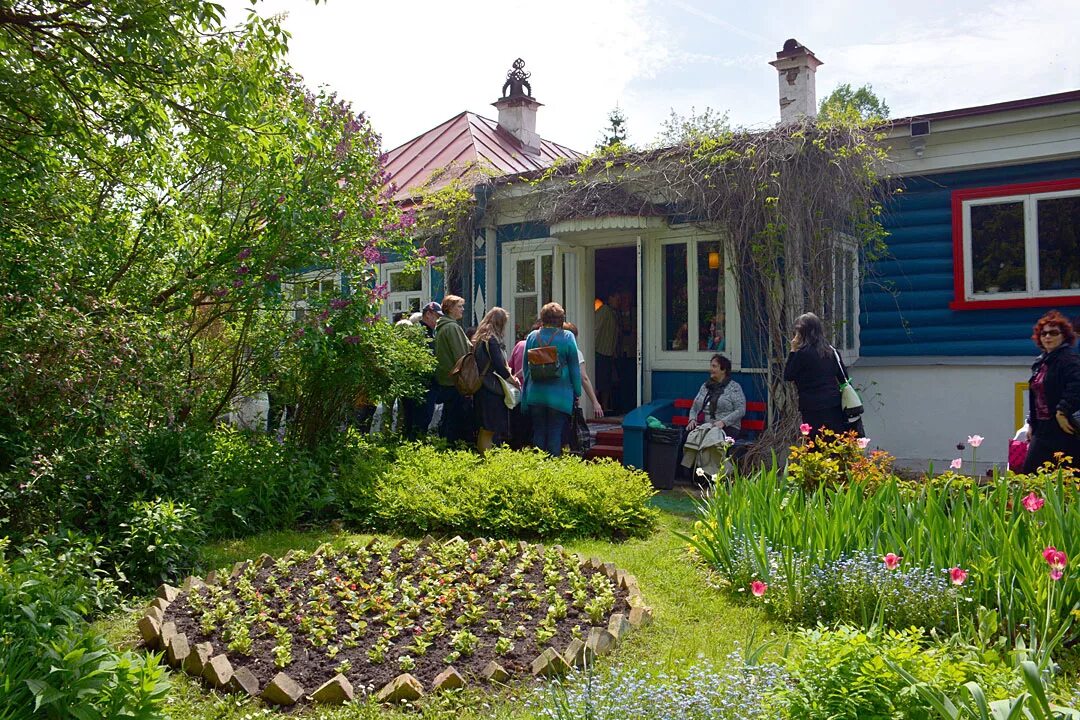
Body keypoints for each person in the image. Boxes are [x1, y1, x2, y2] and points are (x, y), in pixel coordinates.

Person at [1022, 310, 1080, 473]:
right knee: (1031, 475)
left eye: (1053, 333)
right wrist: (1032, 423)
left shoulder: (1069, 359)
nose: (1048, 337)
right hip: (1042, 428)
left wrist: (1062, 411)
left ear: (1064, 336)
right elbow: (1036, 395)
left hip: (1063, 428)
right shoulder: (1041, 362)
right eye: (1044, 333)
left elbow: (1076, 385)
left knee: (1067, 477)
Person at [522, 302, 582, 456]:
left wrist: (524, 395)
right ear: (561, 319)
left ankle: (538, 469)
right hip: (560, 394)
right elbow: (575, 367)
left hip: (535, 393)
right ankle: (553, 472)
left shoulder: (532, 337)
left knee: (539, 432)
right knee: (555, 433)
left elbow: (525, 368)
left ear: (543, 318)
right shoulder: (567, 336)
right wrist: (577, 392)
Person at [783, 312, 850, 441]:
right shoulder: (832, 351)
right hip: (833, 405)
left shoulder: (802, 354)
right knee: (834, 442)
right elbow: (843, 377)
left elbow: (788, 375)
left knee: (815, 444)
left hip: (811, 406)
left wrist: (792, 350)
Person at [681, 354, 745, 477]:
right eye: (711, 366)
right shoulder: (706, 386)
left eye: (714, 366)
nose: (711, 369)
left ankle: (714, 475)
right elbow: (695, 407)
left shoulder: (734, 387)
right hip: (707, 425)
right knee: (688, 436)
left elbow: (740, 410)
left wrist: (723, 422)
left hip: (728, 427)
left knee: (712, 442)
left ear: (723, 369)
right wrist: (692, 419)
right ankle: (692, 475)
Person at [472, 307, 519, 454]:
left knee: (484, 429)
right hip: (491, 388)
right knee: (492, 429)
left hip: (480, 387)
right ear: (500, 323)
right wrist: (512, 380)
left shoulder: (479, 339)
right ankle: (490, 461)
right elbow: (500, 366)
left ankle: (482, 458)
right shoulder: (492, 340)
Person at [433, 295, 471, 444]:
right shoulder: (452, 327)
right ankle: (453, 449)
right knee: (455, 420)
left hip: (446, 379)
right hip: (455, 381)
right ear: (449, 309)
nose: (462, 309)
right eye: (459, 306)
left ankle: (445, 446)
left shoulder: (442, 326)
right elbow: (462, 356)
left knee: (448, 417)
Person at [563, 321, 604, 419]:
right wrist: (595, 402)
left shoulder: (551, 350)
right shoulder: (575, 353)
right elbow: (583, 378)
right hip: (566, 397)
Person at [594, 294, 618, 412]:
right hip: (600, 351)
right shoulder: (604, 311)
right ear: (610, 298)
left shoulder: (613, 313)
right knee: (600, 381)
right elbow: (595, 328)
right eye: (616, 297)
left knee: (606, 382)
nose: (618, 301)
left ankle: (605, 406)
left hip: (608, 352)